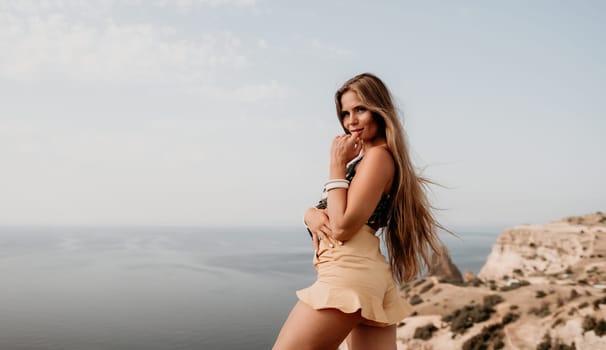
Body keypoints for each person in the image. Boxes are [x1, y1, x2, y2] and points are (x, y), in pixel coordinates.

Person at [273, 73, 443, 350]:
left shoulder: (378, 157)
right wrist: (309, 214)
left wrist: (336, 164)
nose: (351, 120)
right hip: (364, 273)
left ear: (380, 110)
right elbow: (335, 210)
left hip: (347, 274)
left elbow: (342, 227)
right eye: (345, 112)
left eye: (360, 109)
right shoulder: (368, 160)